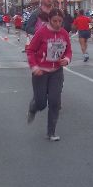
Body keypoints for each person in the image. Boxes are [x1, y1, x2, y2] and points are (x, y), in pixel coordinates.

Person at [26, 8, 72, 141]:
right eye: (55, 21)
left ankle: (51, 132)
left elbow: (68, 51)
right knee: (41, 103)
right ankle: (33, 107)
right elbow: (30, 50)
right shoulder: (41, 33)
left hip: (56, 72)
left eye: (60, 21)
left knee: (54, 102)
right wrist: (34, 67)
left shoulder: (64, 33)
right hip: (40, 72)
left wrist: (66, 59)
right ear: (49, 20)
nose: (57, 24)